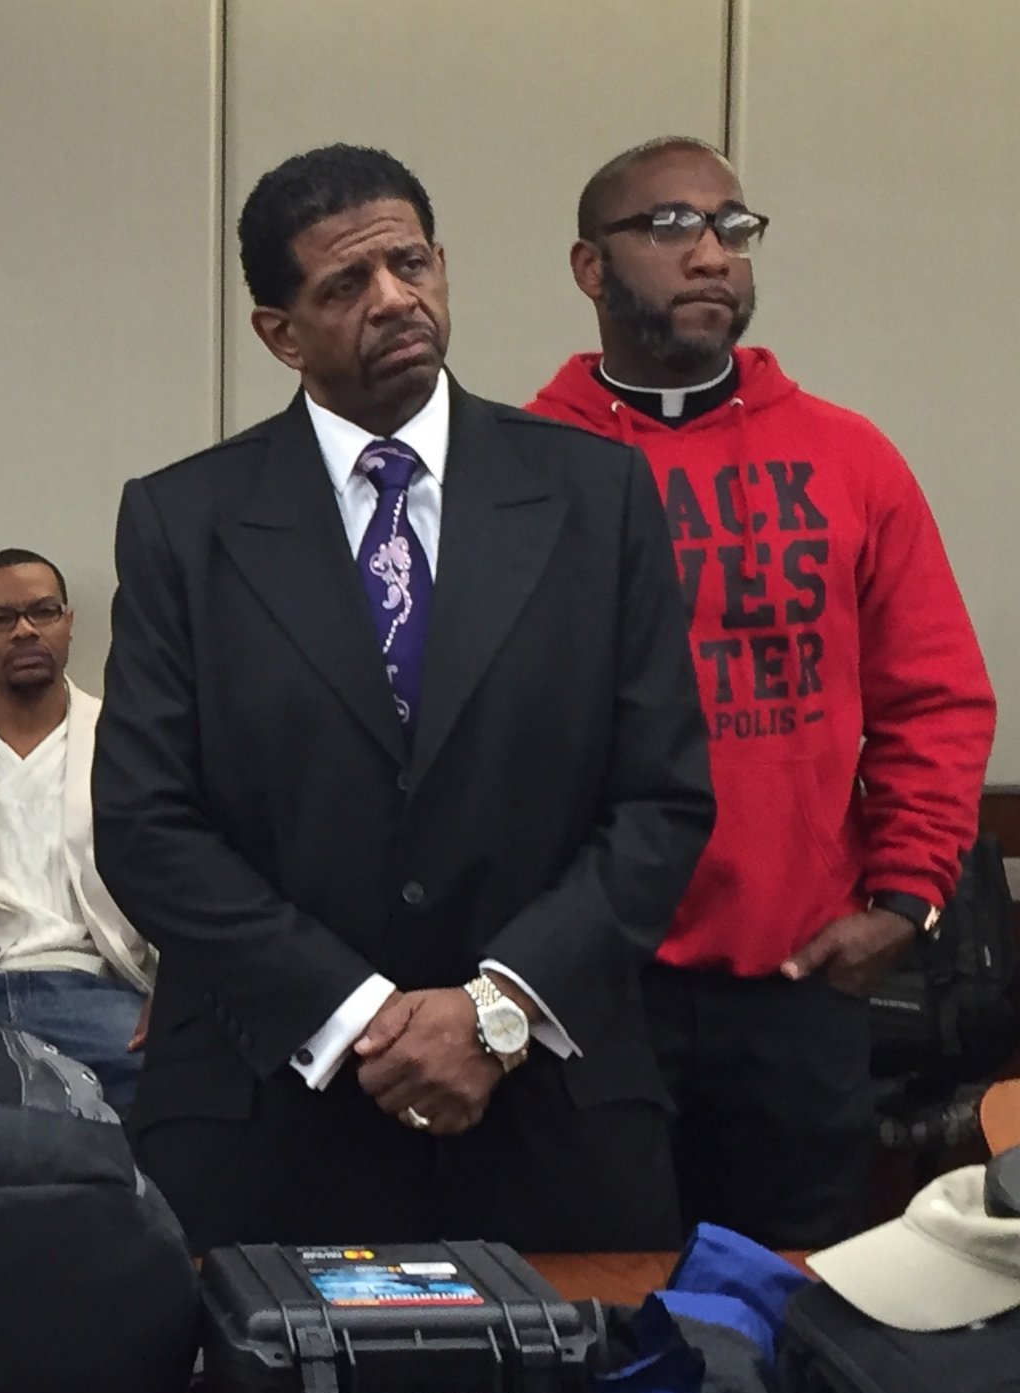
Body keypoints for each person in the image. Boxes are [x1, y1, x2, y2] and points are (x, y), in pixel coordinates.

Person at [93, 144, 714, 1253]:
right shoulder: (187, 522)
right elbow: (146, 825)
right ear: (279, 332)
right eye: (346, 284)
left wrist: (496, 1007)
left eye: (410, 262)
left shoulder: (595, 495)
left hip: (550, 1113)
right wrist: (363, 1017)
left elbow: (662, 801)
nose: (395, 298)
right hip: (274, 1119)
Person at [528, 137, 994, 1248]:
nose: (711, 254)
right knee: (594, 1304)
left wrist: (907, 897)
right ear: (591, 268)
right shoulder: (524, 465)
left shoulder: (848, 457)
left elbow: (936, 697)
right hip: (582, 986)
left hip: (796, 982)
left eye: (733, 228)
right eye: (671, 226)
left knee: (793, 1318)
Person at [0, 548, 154, 1110]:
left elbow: (186, 872)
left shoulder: (131, 744)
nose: (24, 630)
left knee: (171, 1091)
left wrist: (180, 987)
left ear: (69, 623)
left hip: (91, 985)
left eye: (43, 611)